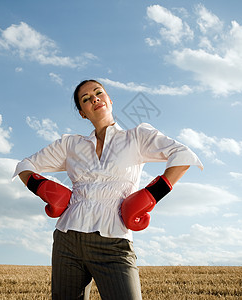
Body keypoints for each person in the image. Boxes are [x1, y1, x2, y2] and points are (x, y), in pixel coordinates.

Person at [13, 79, 203, 300]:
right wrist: (43, 187)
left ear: (109, 100)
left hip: (114, 240)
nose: (94, 98)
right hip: (68, 239)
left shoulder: (137, 137)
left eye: (98, 93)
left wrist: (152, 194)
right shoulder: (70, 144)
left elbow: (182, 155)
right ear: (83, 113)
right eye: (85, 99)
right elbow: (25, 166)